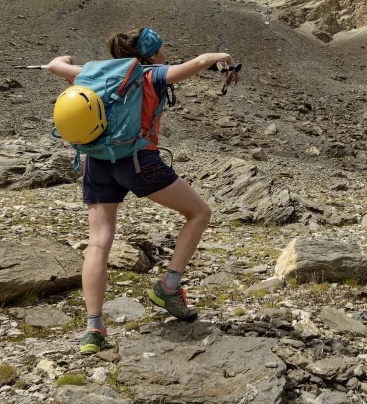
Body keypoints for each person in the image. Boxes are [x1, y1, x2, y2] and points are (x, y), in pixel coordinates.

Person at [46, 27, 234, 355]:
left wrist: (67, 60)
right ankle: (168, 286)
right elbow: (199, 62)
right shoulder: (153, 75)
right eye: (160, 50)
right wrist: (222, 57)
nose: (165, 54)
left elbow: (54, 65)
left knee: (99, 242)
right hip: (138, 162)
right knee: (199, 212)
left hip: (98, 162)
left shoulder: (92, 73)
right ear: (148, 55)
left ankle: (93, 328)